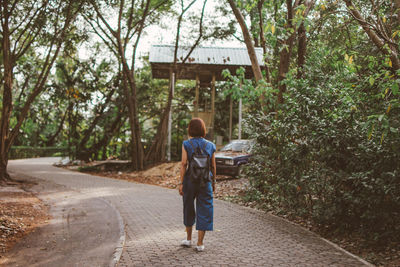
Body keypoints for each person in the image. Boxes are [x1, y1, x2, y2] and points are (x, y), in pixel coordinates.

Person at [179, 118, 216, 252]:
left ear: (190, 129)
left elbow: (184, 164)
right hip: (205, 181)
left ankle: (188, 239)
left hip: (190, 181)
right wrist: (214, 182)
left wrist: (181, 183)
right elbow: (212, 166)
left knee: (188, 208)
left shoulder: (186, 144)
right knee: (205, 209)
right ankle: (200, 243)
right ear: (203, 129)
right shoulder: (211, 145)